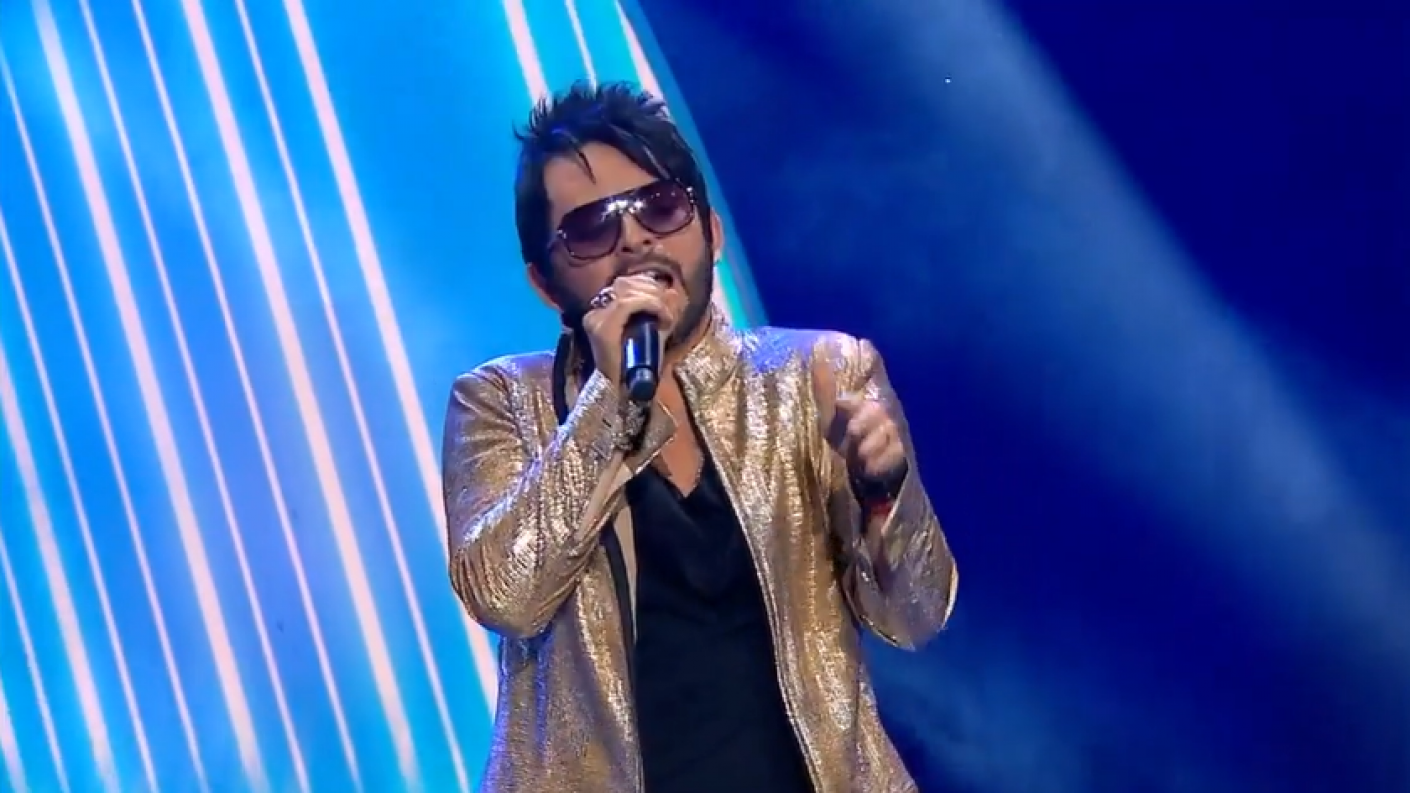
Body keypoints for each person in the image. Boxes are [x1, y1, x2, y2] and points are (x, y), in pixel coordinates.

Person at [441, 81, 958, 793]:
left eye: (659, 206)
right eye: (591, 229)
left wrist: (887, 496)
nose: (634, 240)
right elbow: (505, 595)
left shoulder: (818, 374)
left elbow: (916, 615)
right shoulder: (500, 400)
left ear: (711, 231)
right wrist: (610, 398)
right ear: (545, 281)